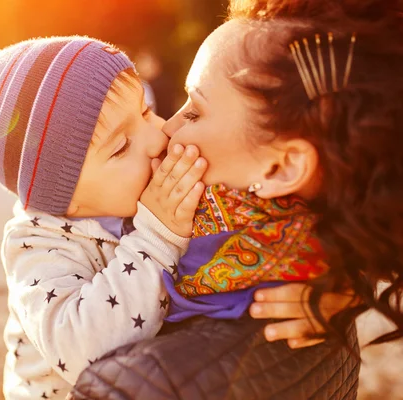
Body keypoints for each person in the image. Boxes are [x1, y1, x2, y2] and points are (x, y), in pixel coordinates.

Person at [70, 0, 403, 398]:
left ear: (281, 169)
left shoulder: (139, 385)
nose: (166, 132)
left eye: (194, 112)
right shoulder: (322, 272)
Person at [0, 35, 207, 400]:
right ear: (63, 199)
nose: (158, 136)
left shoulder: (140, 193)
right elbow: (84, 350)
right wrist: (159, 236)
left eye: (145, 111)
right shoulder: (38, 245)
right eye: (122, 146)